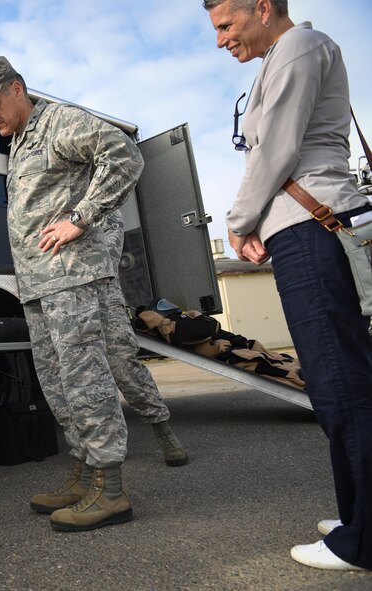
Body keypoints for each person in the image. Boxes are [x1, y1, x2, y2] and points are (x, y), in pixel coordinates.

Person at [204, 0, 372, 571]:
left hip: (311, 226)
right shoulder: (284, 55)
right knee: (337, 382)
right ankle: (359, 515)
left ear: (263, 7)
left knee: (340, 385)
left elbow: (274, 147)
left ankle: (364, 541)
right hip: (303, 226)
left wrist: (238, 221)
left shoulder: (298, 45)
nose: (222, 39)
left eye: (227, 24)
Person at [0, 56, 150, 531]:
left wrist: (81, 218)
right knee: (58, 384)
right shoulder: (23, 139)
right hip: (39, 284)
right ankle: (83, 474)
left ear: (16, 88)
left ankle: (110, 492)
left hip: (71, 278)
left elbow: (124, 155)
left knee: (85, 381)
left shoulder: (59, 122)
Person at [101, 210, 188, 468]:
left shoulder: (104, 207)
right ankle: (101, 450)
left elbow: (108, 254)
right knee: (83, 377)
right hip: (65, 303)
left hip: (104, 297)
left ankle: (164, 432)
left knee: (125, 368)